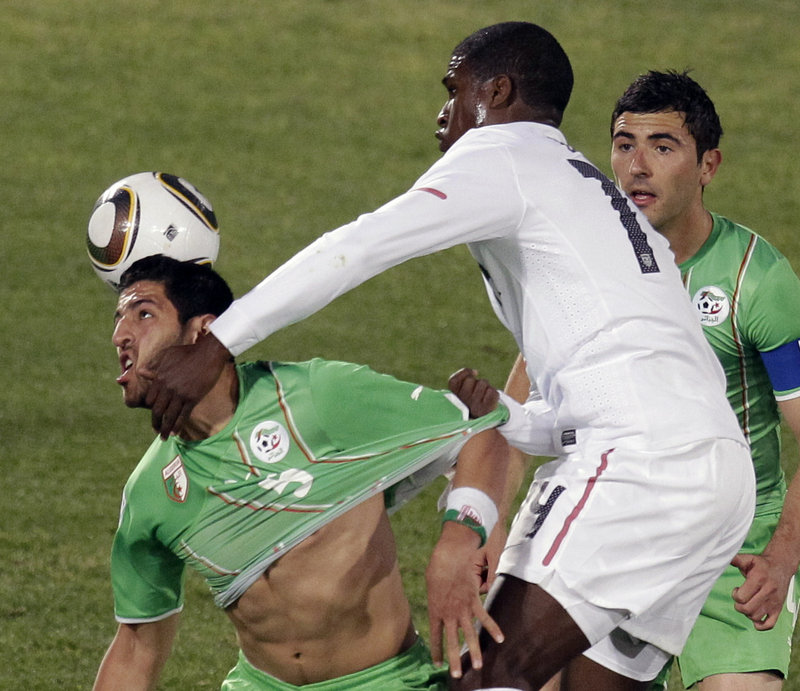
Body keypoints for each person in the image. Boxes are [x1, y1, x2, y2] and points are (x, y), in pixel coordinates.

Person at [139, 23, 756, 688]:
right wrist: (515, 419)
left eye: (454, 90)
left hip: (640, 466)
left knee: (488, 675)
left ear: (499, 90)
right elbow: (650, 380)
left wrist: (221, 341)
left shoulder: (505, 155)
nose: (443, 114)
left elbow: (358, 247)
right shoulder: (595, 197)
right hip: (717, 471)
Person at [92, 255, 512, 690]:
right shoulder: (150, 491)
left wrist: (459, 540)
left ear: (203, 331)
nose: (120, 335)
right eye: (120, 319)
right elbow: (137, 646)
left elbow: (481, 432)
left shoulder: (315, 398)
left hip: (385, 681)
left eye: (143, 315)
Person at [608, 69, 800, 690]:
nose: (638, 166)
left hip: (735, 553)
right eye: (624, 144)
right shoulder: (589, 271)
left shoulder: (757, 282)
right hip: (620, 540)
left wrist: (781, 559)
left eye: (663, 147)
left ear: (707, 166)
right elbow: (521, 399)